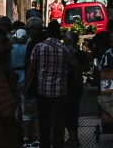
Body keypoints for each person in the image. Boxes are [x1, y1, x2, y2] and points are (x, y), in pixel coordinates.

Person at [24, 20, 78, 148]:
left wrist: (27, 84)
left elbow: (31, 70)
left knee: (44, 122)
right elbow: (76, 67)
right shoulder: (66, 49)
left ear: (47, 32)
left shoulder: (39, 47)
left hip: (42, 92)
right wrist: (77, 79)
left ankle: (45, 145)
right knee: (59, 124)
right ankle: (58, 145)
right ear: (59, 33)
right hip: (61, 92)